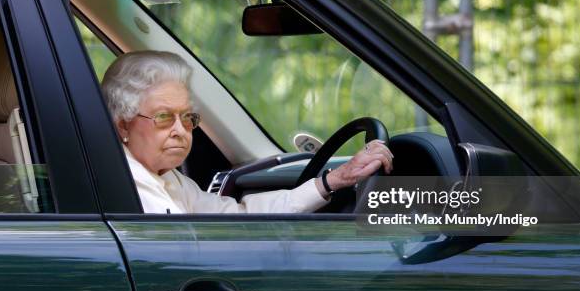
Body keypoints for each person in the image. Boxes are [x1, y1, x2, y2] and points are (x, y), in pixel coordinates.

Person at [101, 50, 393, 214]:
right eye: (164, 117)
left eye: (187, 117)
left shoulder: (168, 178)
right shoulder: (126, 186)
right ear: (123, 124)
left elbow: (238, 217)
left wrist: (333, 180)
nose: (181, 130)